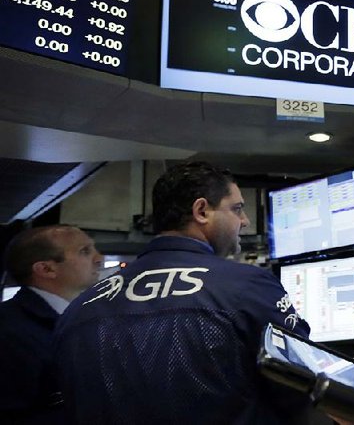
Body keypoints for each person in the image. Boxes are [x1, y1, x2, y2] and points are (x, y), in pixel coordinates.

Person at [54, 161, 313, 424]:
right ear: (201, 211)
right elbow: (303, 386)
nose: (245, 222)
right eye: (236, 209)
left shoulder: (80, 308)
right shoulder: (247, 286)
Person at [0, 225, 102, 424]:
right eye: (85, 251)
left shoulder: (82, 317)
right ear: (46, 269)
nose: (99, 258)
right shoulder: (8, 332)